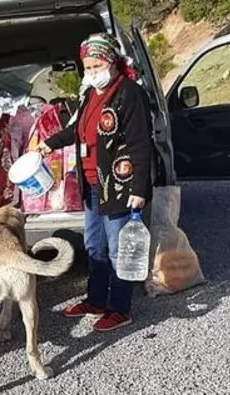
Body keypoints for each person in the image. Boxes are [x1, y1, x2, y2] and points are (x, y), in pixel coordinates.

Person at [38, 32, 153, 332]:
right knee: (94, 247)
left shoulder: (129, 93)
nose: (91, 72)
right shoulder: (90, 93)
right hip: (91, 183)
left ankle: (120, 308)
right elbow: (77, 129)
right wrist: (49, 143)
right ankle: (96, 300)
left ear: (111, 62)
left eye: (95, 66)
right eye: (87, 67)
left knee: (117, 249)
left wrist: (139, 189)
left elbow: (141, 144)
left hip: (118, 184)